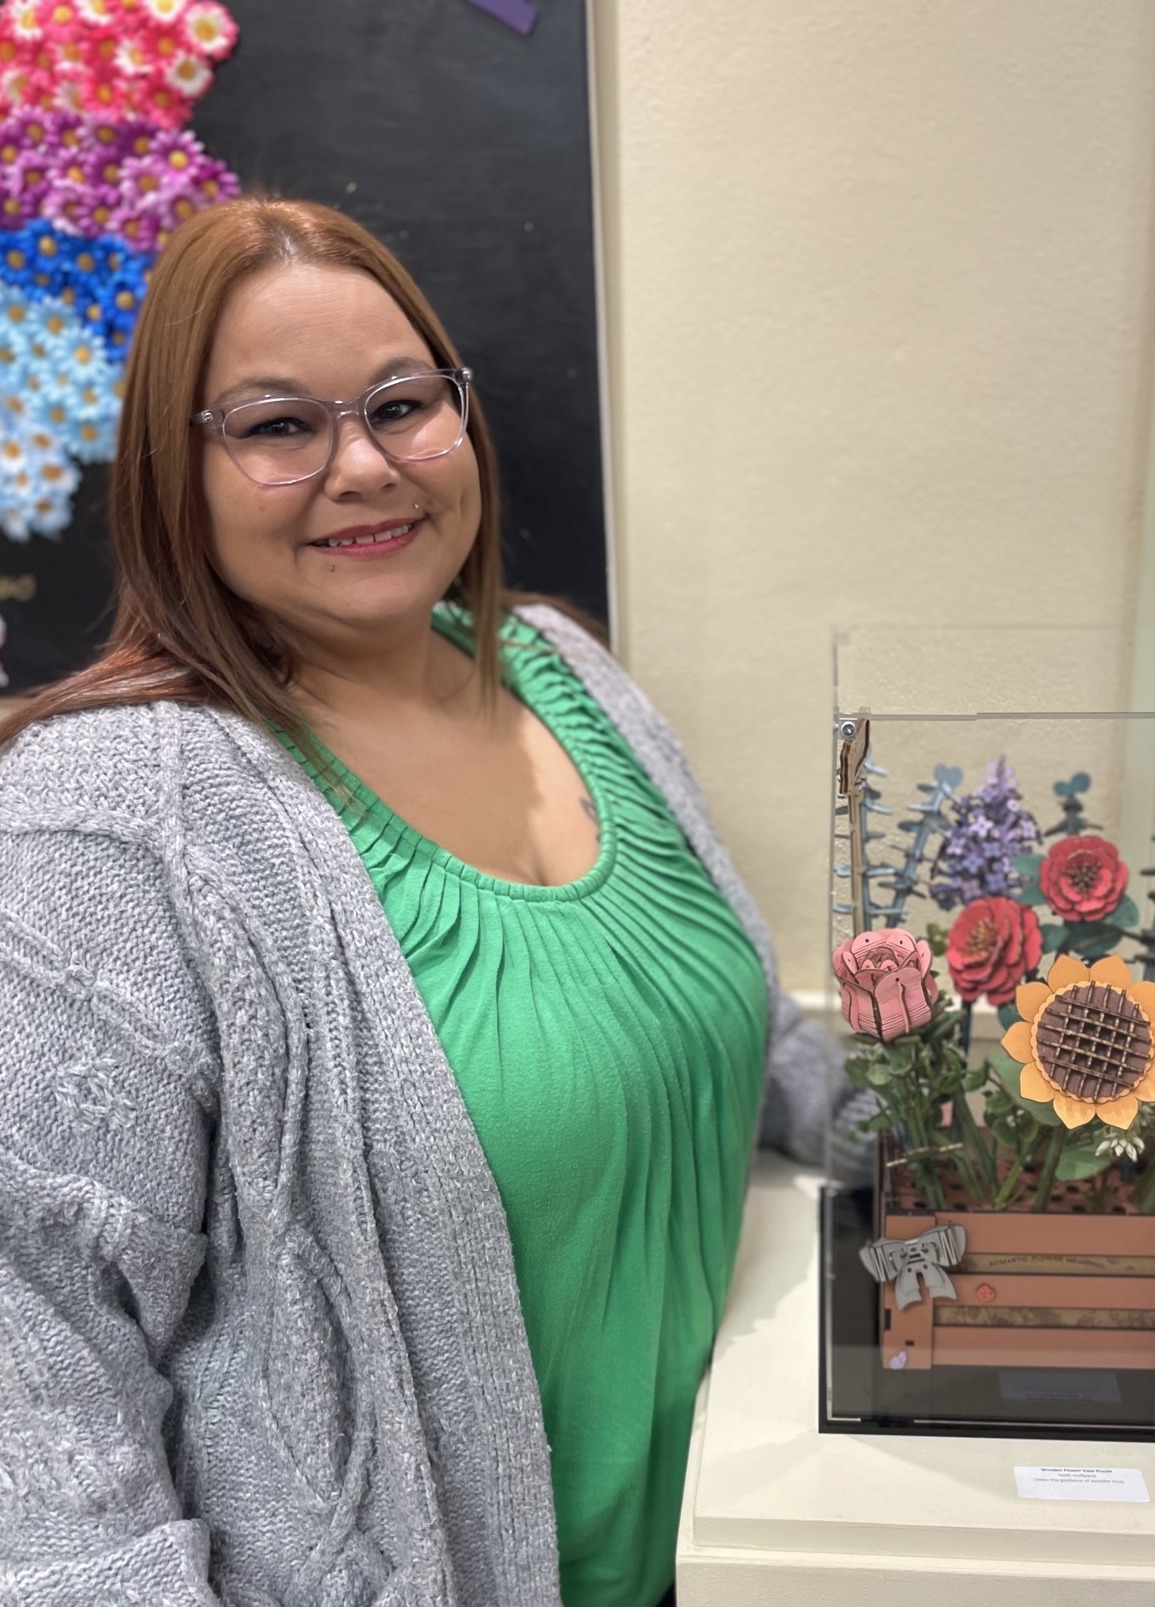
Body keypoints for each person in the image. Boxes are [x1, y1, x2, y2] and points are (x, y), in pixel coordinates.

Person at [0, 197, 832, 1607]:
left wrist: (973, 1142)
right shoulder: (108, 823)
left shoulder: (570, 675)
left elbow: (740, 1029)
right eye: (277, 427)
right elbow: (37, 1363)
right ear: (170, 475)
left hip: (731, 1553)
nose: (365, 467)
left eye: (402, 404)